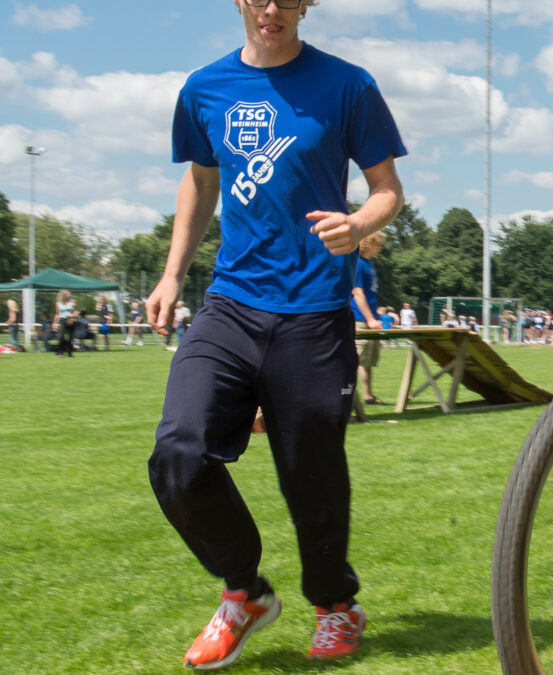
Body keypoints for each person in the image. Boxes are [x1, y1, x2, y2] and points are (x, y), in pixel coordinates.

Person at [144, 0, 406, 669]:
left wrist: (357, 221)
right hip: (231, 303)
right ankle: (245, 591)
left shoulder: (348, 85)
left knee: (311, 474)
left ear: (305, 4)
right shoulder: (204, 89)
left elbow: (386, 190)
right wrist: (173, 273)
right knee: (178, 452)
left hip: (315, 310)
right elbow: (200, 182)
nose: (271, 8)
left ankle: (335, 605)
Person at [352, 231, 386, 405]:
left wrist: (376, 316)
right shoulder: (357, 263)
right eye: (377, 244)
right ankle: (351, 398)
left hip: (371, 319)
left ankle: (368, 395)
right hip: (360, 319)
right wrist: (369, 318)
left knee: (369, 361)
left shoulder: (370, 264)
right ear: (367, 243)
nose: (380, 247)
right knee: (360, 360)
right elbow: (357, 292)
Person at [52, 289, 76, 357]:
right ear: (63, 295)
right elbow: (57, 314)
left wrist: (73, 315)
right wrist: (54, 323)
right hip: (62, 320)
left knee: (70, 337)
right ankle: (60, 352)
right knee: (61, 336)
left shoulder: (72, 302)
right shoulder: (58, 303)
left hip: (71, 320)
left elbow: (77, 311)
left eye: (69, 294)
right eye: (68, 294)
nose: (69, 295)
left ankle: (70, 352)